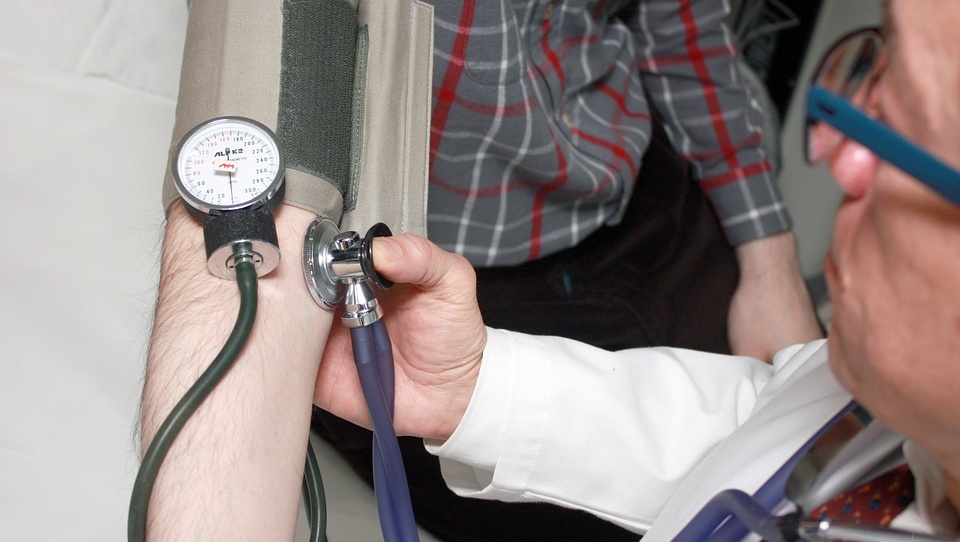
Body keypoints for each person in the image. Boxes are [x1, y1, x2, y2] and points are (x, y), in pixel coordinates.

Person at [140, 0, 960, 540]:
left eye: (903, 126)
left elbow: (684, 29)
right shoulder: (886, 415)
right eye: (876, 72)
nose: (831, 153)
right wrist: (485, 392)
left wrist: (764, 251)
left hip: (631, 209)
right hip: (470, 263)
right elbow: (761, 432)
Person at [313, 1, 822, 538]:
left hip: (637, 199)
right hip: (431, 267)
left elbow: (680, 24)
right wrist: (475, 396)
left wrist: (770, 260)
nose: (831, 147)